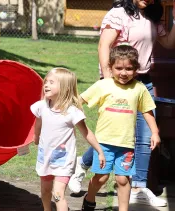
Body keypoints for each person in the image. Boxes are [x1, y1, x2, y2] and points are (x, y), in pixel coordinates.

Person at [69, 0, 175, 206]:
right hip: (117, 80)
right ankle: (83, 163)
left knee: (144, 137)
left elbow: (169, 43)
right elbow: (104, 45)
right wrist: (109, 80)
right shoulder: (118, 13)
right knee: (112, 134)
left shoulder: (152, 16)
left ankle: (139, 187)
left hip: (143, 80)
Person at [81, 45, 160, 211]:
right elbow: (81, 100)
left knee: (123, 180)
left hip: (126, 145)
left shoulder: (139, 88)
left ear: (136, 69)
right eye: (118, 68)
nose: (123, 73)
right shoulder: (103, 85)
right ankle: (89, 199)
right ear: (110, 67)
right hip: (103, 143)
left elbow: (147, 111)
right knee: (101, 178)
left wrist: (154, 132)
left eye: (129, 69)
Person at [30, 67, 106, 211]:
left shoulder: (72, 112)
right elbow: (38, 123)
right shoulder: (41, 107)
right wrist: (36, 136)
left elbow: (86, 133)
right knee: (45, 191)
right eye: (46, 81)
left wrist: (99, 151)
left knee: (58, 194)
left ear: (64, 88)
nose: (46, 84)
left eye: (51, 82)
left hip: (63, 159)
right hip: (45, 156)